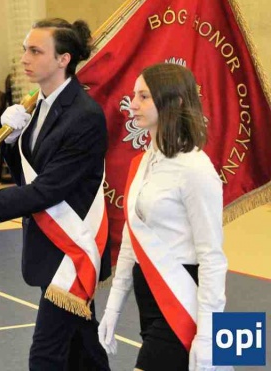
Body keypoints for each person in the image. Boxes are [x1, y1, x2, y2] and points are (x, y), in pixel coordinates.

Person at [0, 19, 111, 370]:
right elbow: (29, 174)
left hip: (72, 254)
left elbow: (45, 191)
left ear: (63, 59)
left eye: (35, 51)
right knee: (83, 352)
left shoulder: (84, 115)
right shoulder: (37, 107)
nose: (25, 59)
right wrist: (13, 145)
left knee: (45, 357)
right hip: (48, 245)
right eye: (24, 50)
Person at [97, 64, 229, 371]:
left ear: (175, 102)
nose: (132, 104)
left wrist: (208, 336)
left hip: (184, 300)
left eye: (143, 96)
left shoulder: (196, 169)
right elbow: (131, 238)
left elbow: (213, 257)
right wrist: (113, 308)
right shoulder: (143, 162)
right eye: (134, 95)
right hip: (150, 298)